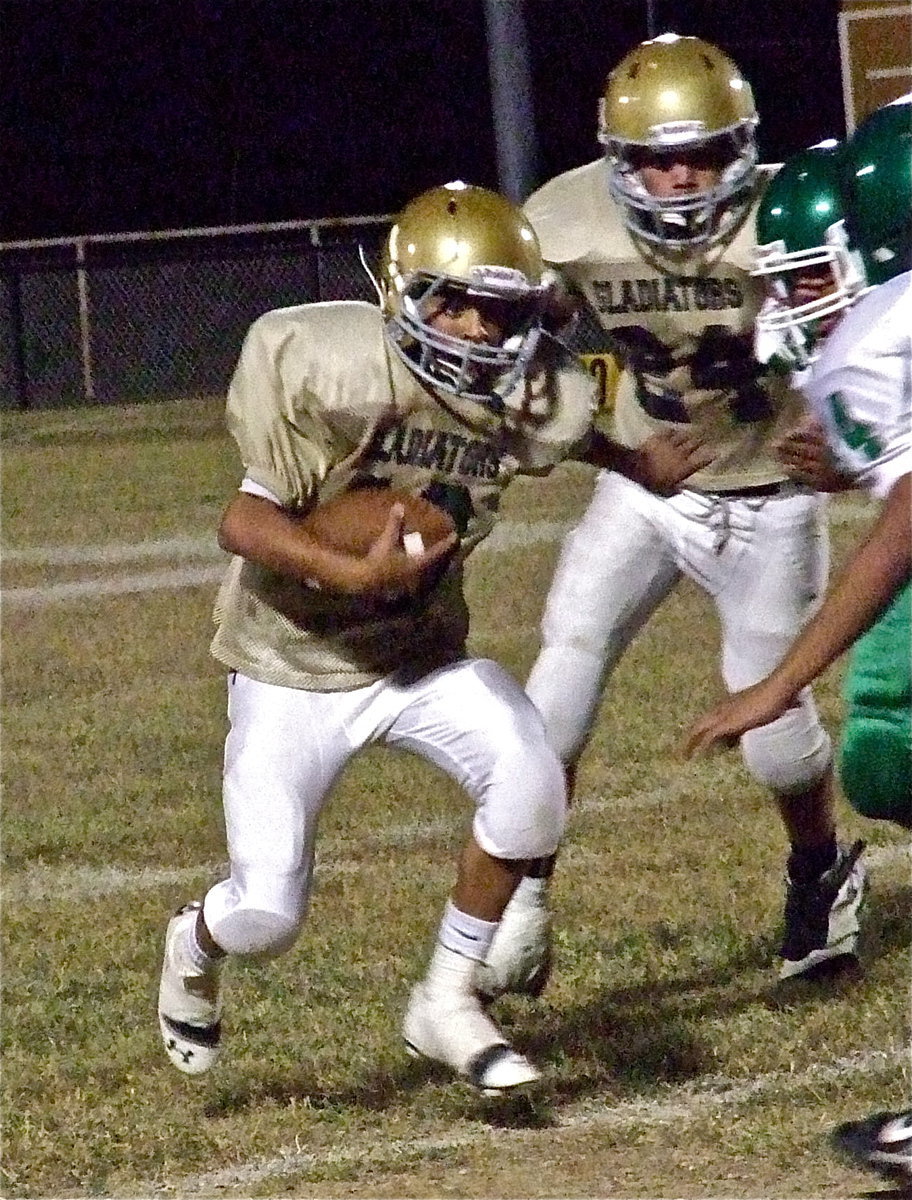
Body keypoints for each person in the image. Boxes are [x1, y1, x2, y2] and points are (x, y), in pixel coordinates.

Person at [155, 181, 708, 1094]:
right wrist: (352, 574)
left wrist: (636, 462)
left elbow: (566, 436)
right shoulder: (322, 361)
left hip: (417, 659)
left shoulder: (533, 391)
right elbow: (245, 523)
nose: (484, 333)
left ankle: (448, 999)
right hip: (291, 662)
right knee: (266, 915)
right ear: (408, 297)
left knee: (533, 781)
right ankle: (194, 940)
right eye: (464, 306)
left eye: (504, 312)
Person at [478, 32, 867, 1000]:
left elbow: (879, 339)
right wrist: (614, 454)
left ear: (743, 148)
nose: (679, 175)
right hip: (648, 489)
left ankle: (820, 867)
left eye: (699, 152)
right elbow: (527, 361)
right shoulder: (566, 219)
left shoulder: (793, 216)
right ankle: (524, 891)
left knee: (774, 727)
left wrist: (850, 449)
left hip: (771, 493)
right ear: (619, 159)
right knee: (559, 685)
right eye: (654, 156)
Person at [684, 95, 912, 1183]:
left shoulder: (881, 331)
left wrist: (782, 678)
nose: (791, 305)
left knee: (889, 746)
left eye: (810, 274)